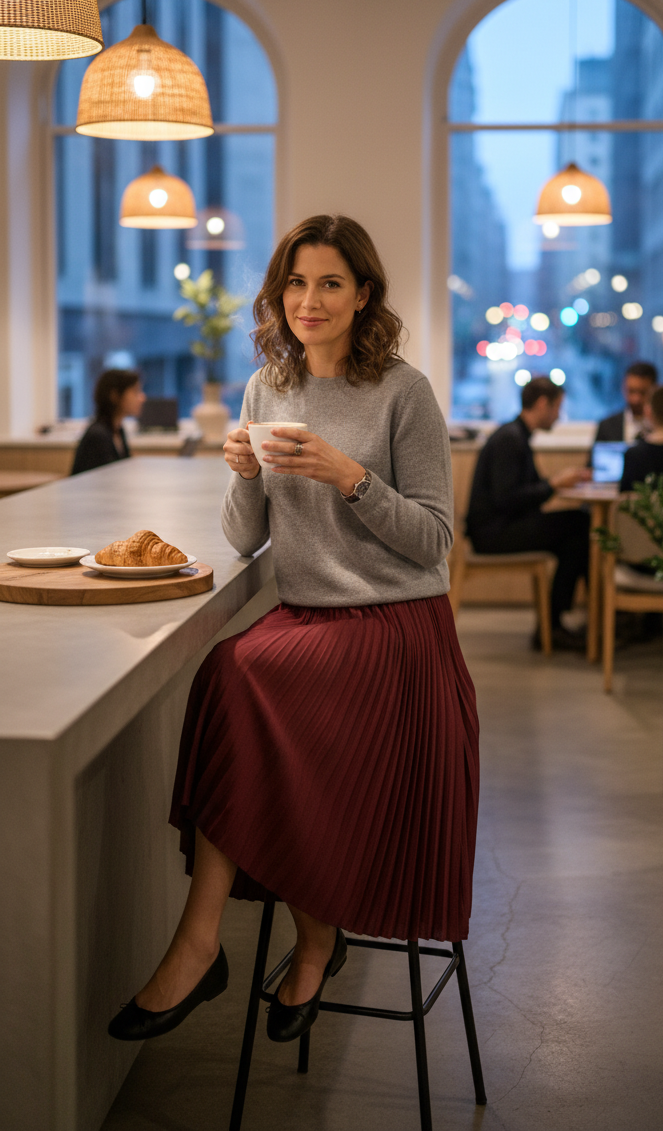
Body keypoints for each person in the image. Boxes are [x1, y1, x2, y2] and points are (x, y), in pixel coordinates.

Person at [107, 214, 479, 1048]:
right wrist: (240, 470)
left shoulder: (403, 391)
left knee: (242, 677)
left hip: (396, 628)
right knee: (231, 673)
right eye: (296, 283)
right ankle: (257, 945)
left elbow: (434, 543)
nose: (310, 300)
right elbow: (246, 537)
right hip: (310, 621)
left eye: (331, 283)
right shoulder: (266, 387)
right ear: (279, 294)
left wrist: (350, 477)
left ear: (364, 296)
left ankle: (245, 946)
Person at [465, 376, 591, 649]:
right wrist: (553, 484)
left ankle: (554, 624)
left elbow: (520, 493)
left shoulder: (516, 435)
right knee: (580, 525)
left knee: (576, 532)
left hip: (499, 527)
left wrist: (552, 485)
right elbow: (506, 499)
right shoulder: (511, 439)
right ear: (543, 404)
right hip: (492, 533)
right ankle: (557, 624)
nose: (559, 415)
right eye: (558, 407)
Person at [70, 369, 146, 475]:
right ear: (114, 396)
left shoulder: (118, 430)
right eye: (135, 391)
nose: (142, 398)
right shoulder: (98, 435)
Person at [594, 361, 658, 446]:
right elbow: (595, 458)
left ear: (655, 389)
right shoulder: (607, 426)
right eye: (631, 391)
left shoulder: (662, 426)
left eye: (642, 392)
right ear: (623, 388)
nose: (636, 399)